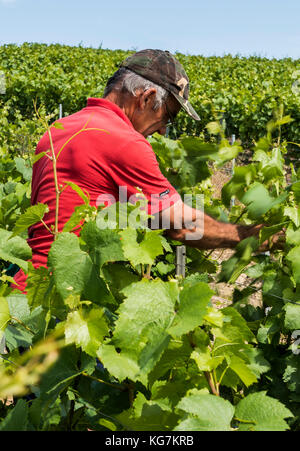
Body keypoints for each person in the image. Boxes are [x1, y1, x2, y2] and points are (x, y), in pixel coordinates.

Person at [13, 49, 267, 292]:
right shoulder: (125, 141)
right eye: (168, 116)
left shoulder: (59, 128)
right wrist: (251, 235)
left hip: (27, 288)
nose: (163, 130)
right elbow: (183, 226)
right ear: (145, 98)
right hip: (65, 296)